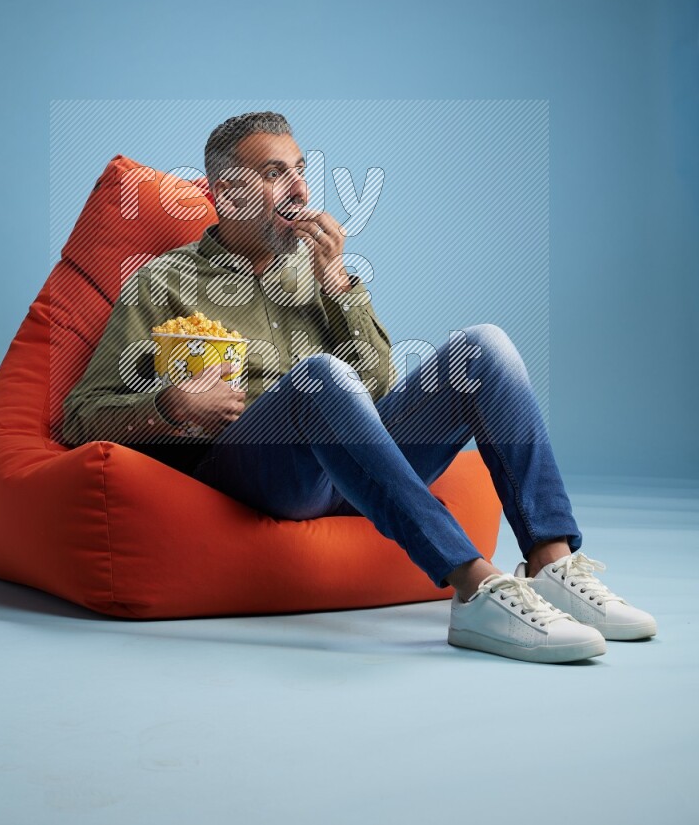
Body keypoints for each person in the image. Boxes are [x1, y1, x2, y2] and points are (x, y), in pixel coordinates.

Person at [63, 111, 657, 664]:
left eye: (301, 170)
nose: (300, 189)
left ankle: (552, 564)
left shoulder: (317, 270)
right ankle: (474, 588)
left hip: (357, 470)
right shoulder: (162, 283)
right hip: (257, 473)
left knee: (485, 347)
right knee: (320, 376)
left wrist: (338, 284)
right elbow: (78, 417)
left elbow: (377, 387)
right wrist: (171, 405)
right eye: (275, 173)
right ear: (227, 193)